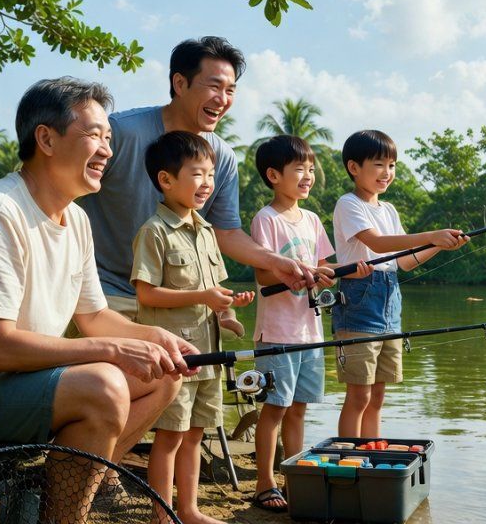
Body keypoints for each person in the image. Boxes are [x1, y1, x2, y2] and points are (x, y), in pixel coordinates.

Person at [0, 78, 197, 516]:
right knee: (103, 385)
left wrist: (158, 337)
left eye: (108, 138)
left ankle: (50, 489)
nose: (107, 151)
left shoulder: (76, 219)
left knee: (164, 374)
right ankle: (64, 513)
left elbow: (96, 317)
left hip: (8, 387)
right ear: (46, 139)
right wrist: (111, 351)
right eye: (94, 135)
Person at [78, 36, 316, 323]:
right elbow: (66, 193)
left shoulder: (223, 157)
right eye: (214, 86)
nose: (223, 99)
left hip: (181, 304)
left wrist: (276, 262)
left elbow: (225, 233)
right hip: (105, 297)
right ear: (180, 84)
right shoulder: (120, 133)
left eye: (230, 90)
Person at [132, 131, 254, 524]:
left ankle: (190, 509)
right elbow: (147, 295)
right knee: (168, 438)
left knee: (196, 436)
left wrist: (229, 313)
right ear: (166, 180)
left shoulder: (207, 232)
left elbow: (214, 291)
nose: (207, 184)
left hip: (210, 356)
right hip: (175, 359)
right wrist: (204, 296)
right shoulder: (154, 231)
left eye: (211, 175)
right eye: (197, 174)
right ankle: (162, 515)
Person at [247, 136, 363, 512]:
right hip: (277, 334)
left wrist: (336, 274)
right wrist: (295, 273)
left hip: (310, 333)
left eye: (311, 169)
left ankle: (293, 478)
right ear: (273, 175)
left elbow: (323, 266)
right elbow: (265, 277)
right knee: (275, 409)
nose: (308, 176)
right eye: (299, 169)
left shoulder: (312, 219)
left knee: (299, 409)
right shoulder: (266, 219)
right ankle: (265, 483)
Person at [331, 130, 469, 438]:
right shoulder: (348, 203)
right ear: (354, 168)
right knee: (359, 395)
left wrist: (439, 245)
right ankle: (348, 457)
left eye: (392, 165)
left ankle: (371, 451)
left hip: (390, 305)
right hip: (358, 303)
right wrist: (430, 235)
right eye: (379, 164)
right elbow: (377, 244)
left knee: (378, 396)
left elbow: (404, 261)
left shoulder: (389, 209)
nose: (387, 173)